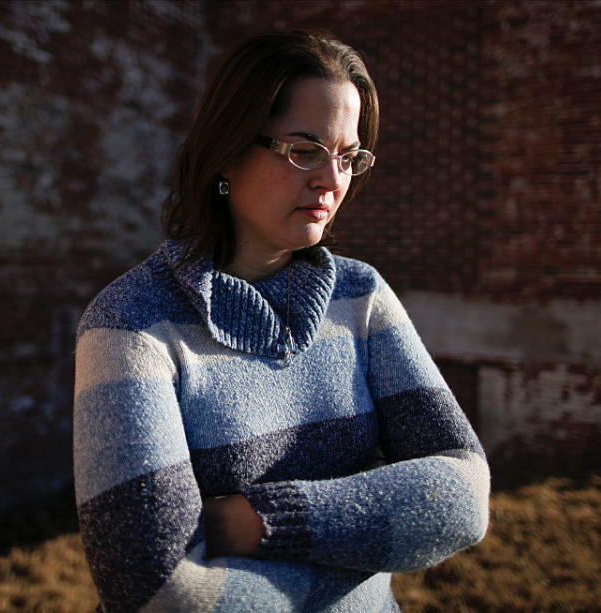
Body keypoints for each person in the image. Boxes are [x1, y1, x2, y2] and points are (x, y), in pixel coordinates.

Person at [73, 30, 489, 612]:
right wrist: (358, 558)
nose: (331, 180)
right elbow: (154, 589)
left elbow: (465, 494)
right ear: (226, 148)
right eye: (304, 150)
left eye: (348, 156)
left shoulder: (362, 297)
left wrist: (251, 523)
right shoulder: (130, 325)